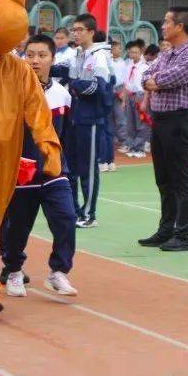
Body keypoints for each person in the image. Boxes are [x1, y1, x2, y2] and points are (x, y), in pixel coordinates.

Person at [0, 34, 78, 297]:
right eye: (29, 54)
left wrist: (61, 163)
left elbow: (64, 135)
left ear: (52, 60)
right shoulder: (11, 93)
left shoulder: (63, 95)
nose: (35, 60)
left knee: (66, 218)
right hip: (21, 172)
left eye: (42, 55)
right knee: (17, 227)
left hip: (54, 171)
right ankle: (13, 270)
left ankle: (59, 271)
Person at [138, 7, 188, 252]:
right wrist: (152, 82)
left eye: (167, 22)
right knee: (163, 179)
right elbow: (145, 76)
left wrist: (155, 82)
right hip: (160, 119)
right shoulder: (167, 53)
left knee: (181, 179)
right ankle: (166, 229)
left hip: (178, 120)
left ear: (179, 26)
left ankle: (183, 234)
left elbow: (167, 79)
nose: (163, 26)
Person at [66, 14, 111, 227]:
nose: (76, 33)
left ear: (91, 32)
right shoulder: (76, 54)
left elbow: (97, 87)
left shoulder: (99, 55)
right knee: (72, 167)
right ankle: (75, 210)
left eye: (80, 29)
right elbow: (62, 72)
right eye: (74, 29)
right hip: (75, 117)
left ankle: (89, 214)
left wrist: (74, 84)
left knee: (88, 169)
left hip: (91, 119)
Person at [121, 40, 150, 158]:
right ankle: (132, 146)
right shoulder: (129, 65)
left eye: (136, 52)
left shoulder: (145, 67)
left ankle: (139, 148)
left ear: (141, 52)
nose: (133, 55)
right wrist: (123, 100)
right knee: (130, 123)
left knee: (141, 123)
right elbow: (125, 83)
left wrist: (144, 101)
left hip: (140, 95)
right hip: (130, 95)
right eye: (131, 52)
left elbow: (147, 86)